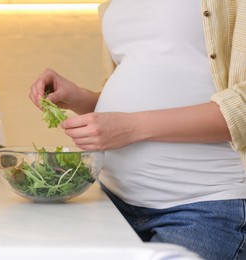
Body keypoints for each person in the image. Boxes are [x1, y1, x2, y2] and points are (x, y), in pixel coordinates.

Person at [29, 1, 246, 259]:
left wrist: (132, 128)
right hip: (113, 200)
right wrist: (82, 99)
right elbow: (141, 86)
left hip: (203, 206)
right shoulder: (110, 5)